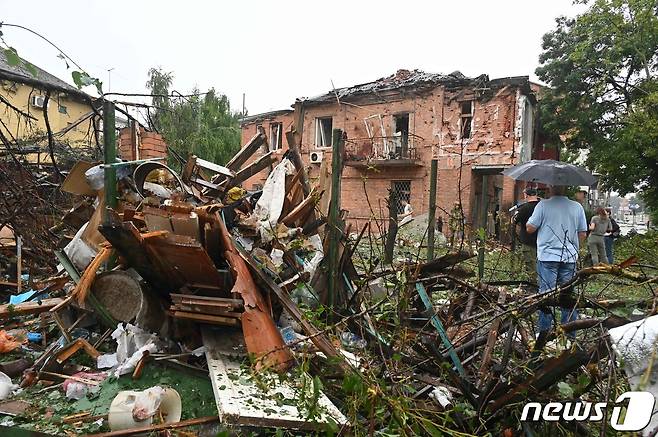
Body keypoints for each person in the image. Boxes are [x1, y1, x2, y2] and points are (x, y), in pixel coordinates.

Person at [526, 185, 588, 338]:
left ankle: (544, 336)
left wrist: (529, 220)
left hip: (547, 257)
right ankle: (569, 336)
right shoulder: (577, 207)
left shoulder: (543, 205)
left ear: (551, 188)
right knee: (568, 297)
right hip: (569, 257)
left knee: (546, 297)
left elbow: (530, 228)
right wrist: (573, 248)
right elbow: (582, 233)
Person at [513, 187, 540, 282]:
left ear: (526, 195)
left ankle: (533, 287)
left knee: (531, 267)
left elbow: (515, 221)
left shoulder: (524, 208)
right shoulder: (542, 207)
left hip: (528, 241)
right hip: (543, 241)